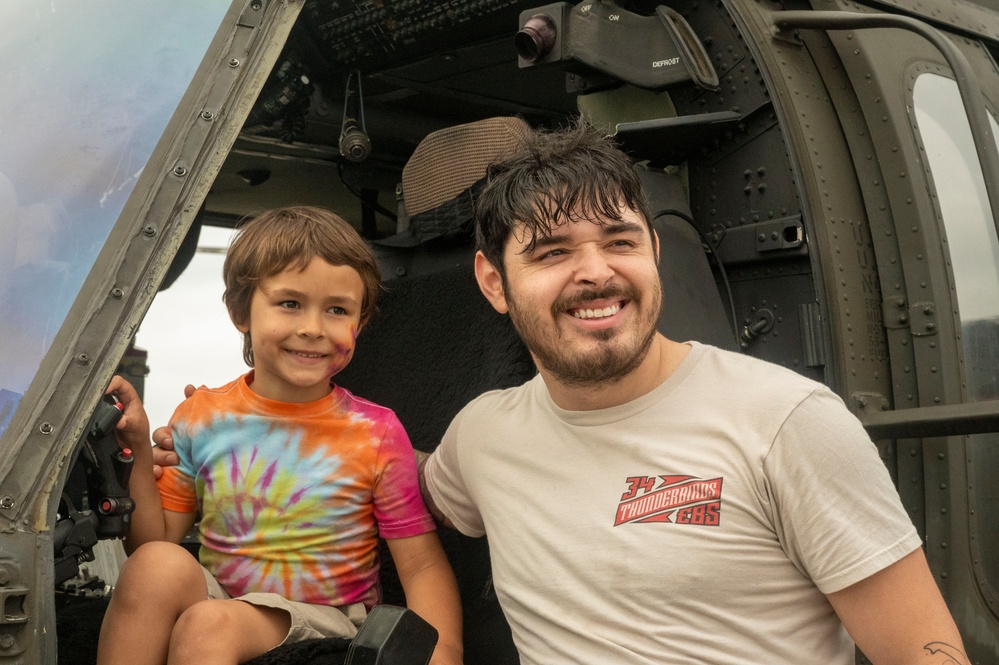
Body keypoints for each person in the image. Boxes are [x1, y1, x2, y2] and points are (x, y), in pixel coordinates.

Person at [153, 125, 967, 665]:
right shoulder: (482, 437)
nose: (595, 271)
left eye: (618, 241)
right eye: (550, 251)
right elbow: (388, 479)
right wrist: (224, 434)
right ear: (492, 282)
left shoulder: (787, 422)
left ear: (650, 250)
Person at [98, 206, 462, 665]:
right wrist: (136, 447)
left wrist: (445, 655)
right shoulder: (201, 417)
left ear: (360, 323)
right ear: (240, 312)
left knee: (208, 624)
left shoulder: (375, 432)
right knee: (151, 566)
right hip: (226, 599)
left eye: (337, 310)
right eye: (290, 303)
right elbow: (155, 540)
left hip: (330, 617)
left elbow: (422, 564)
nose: (312, 328)